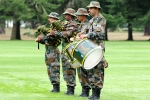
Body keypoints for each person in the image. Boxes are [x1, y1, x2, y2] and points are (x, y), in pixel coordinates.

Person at [78, 1, 108, 100]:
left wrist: (87, 35)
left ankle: (96, 94)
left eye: (91, 8)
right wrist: (81, 34)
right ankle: (93, 92)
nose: (89, 10)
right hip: (91, 48)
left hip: (97, 48)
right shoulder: (91, 20)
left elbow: (100, 34)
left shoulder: (101, 19)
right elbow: (85, 30)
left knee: (97, 72)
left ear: (96, 9)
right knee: (90, 71)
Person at [35, 12, 61, 93]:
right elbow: (47, 40)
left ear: (55, 19)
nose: (49, 19)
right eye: (49, 18)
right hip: (48, 50)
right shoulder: (50, 28)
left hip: (53, 50)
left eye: (51, 18)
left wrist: (43, 37)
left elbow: (53, 39)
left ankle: (56, 86)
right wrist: (41, 40)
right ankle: (54, 85)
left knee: (54, 68)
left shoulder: (57, 29)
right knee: (49, 69)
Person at [61, 8, 77, 95]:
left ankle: (71, 88)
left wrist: (56, 32)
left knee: (70, 69)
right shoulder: (66, 24)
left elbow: (68, 33)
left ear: (71, 15)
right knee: (65, 69)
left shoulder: (73, 24)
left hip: (70, 50)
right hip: (64, 49)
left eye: (66, 14)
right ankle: (68, 88)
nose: (65, 16)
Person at [75, 8, 91, 97]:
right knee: (81, 71)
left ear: (83, 15)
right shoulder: (81, 25)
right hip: (81, 49)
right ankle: (84, 90)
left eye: (78, 15)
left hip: (86, 50)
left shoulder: (88, 24)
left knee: (86, 71)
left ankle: (87, 90)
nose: (77, 16)